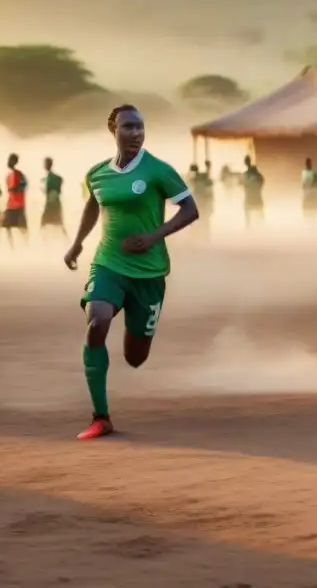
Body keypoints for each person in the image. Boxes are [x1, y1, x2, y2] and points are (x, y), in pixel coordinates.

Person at [64, 105, 199, 441]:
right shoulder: (97, 174)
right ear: (113, 128)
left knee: (135, 356)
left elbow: (191, 209)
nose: (136, 133)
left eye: (140, 127)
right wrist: (78, 243)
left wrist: (153, 236)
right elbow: (94, 204)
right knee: (97, 322)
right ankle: (101, 416)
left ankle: (136, 337)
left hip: (149, 273)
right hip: (108, 262)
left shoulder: (157, 170)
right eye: (128, 127)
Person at [2, 153, 29, 246]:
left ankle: (27, 245)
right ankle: (11, 246)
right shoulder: (8, 176)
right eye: (8, 160)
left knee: (22, 228)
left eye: (10, 160)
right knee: (7, 226)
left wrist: (17, 188)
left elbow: (24, 184)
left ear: (15, 162)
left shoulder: (19, 174)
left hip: (19, 205)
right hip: (10, 205)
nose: (8, 162)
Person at [41, 157, 66, 237]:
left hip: (51, 204)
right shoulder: (53, 177)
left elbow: (50, 191)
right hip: (55, 203)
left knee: (44, 224)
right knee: (58, 224)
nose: (45, 166)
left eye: (46, 164)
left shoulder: (51, 178)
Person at [241, 155, 264, 228]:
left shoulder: (246, 174)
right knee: (259, 212)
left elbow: (241, 183)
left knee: (248, 212)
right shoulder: (256, 173)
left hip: (250, 196)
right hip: (255, 196)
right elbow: (262, 180)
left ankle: (249, 227)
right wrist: (258, 187)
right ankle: (260, 227)